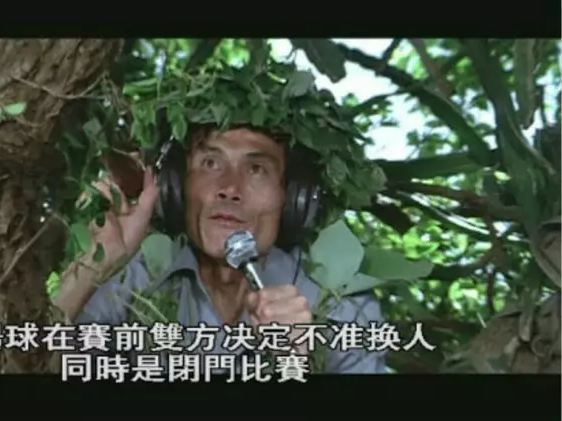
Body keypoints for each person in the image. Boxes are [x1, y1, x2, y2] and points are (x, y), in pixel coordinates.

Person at [54, 123, 388, 374]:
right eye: (211, 163)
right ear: (177, 187)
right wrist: (95, 266)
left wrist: (296, 364)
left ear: (292, 199)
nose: (230, 188)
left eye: (256, 169)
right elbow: (35, 364)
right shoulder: (136, 278)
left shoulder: (344, 309)